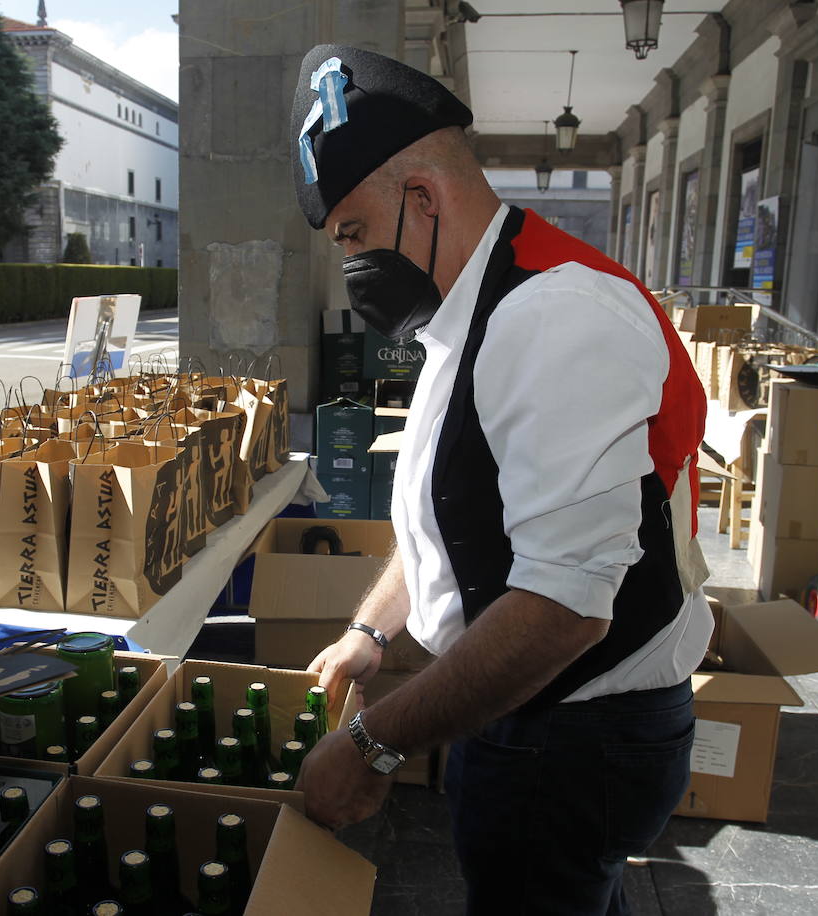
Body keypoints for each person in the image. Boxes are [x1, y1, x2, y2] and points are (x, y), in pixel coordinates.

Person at [290, 44, 713, 915]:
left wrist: (372, 745)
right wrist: (373, 633)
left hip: (573, 739)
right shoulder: (475, 309)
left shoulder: (552, 315)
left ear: (422, 197)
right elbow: (452, 517)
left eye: (355, 235)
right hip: (538, 721)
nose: (353, 265)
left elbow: (560, 609)